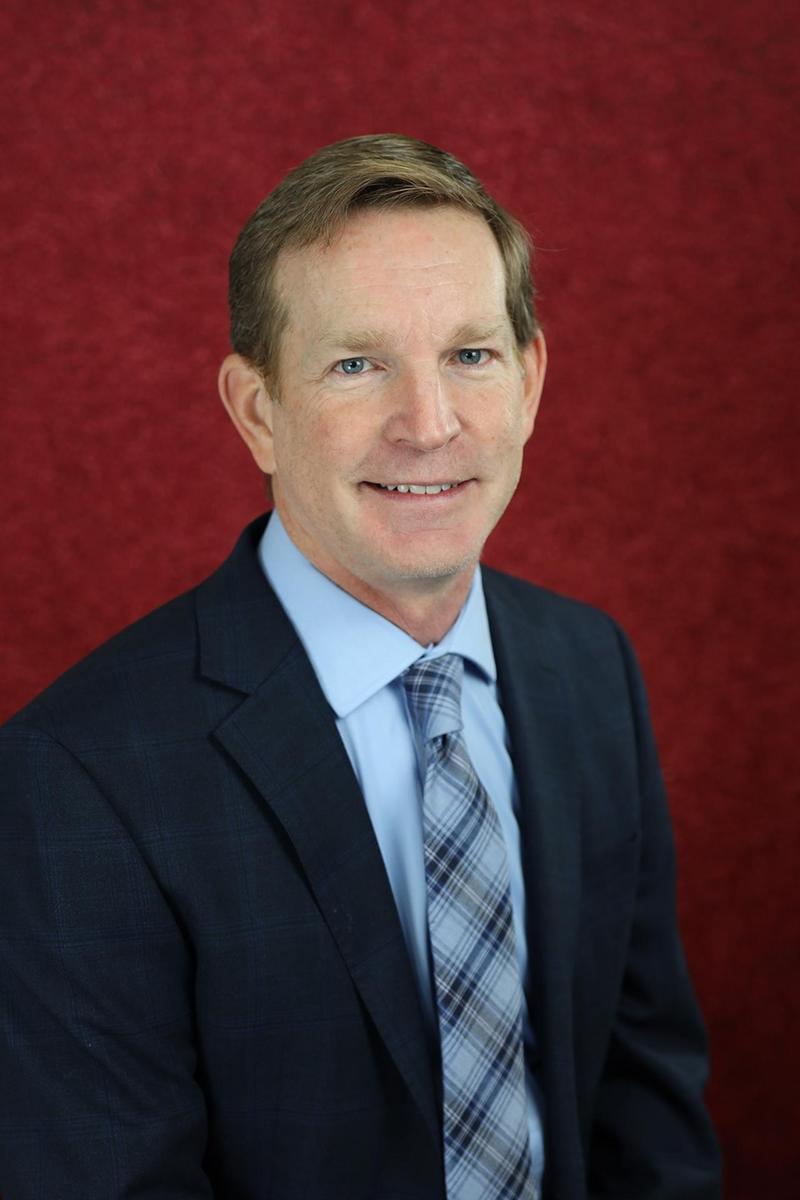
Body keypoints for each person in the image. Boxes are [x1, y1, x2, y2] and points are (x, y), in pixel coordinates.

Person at [0, 135, 721, 1199]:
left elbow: (644, 1104)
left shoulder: (588, 671)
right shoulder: (76, 776)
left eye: (470, 355)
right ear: (257, 411)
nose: (428, 425)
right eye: (356, 364)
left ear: (528, 381)